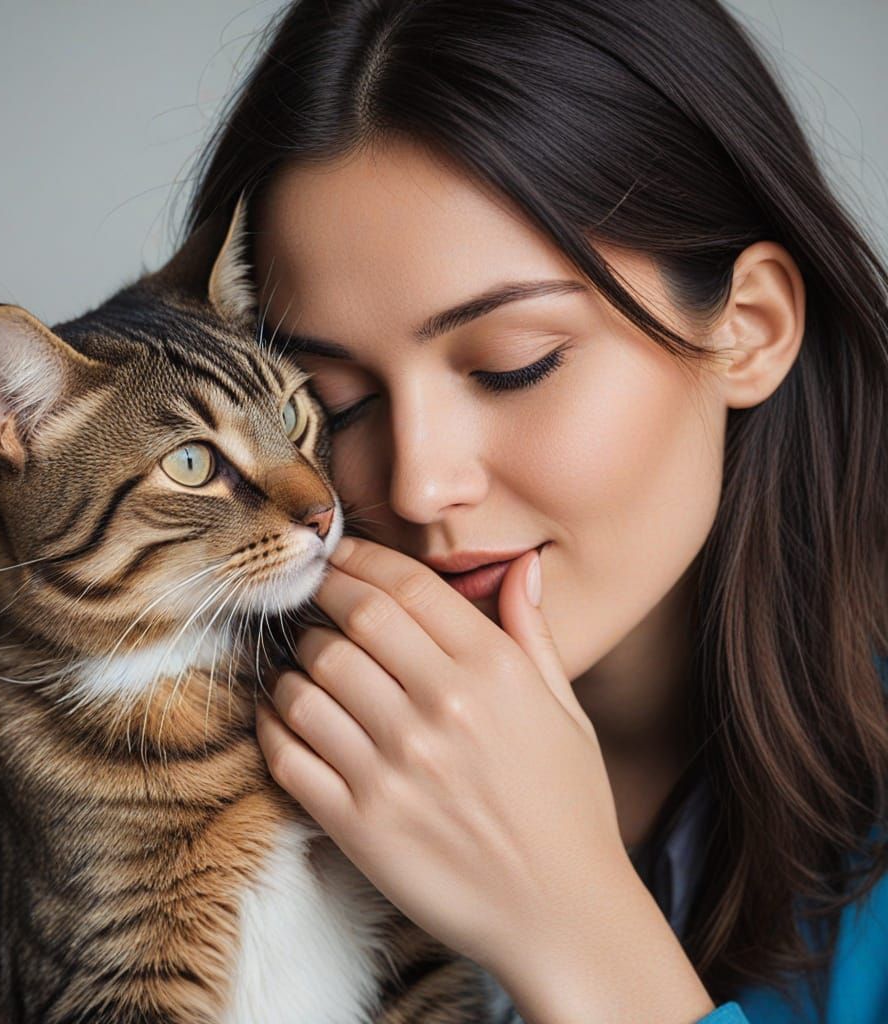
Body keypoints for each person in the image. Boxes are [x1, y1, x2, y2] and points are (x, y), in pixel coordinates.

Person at [177, 1, 888, 1020]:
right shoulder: (204, 799)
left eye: (514, 367)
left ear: (748, 328)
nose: (418, 486)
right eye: (333, 407)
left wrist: (570, 920)